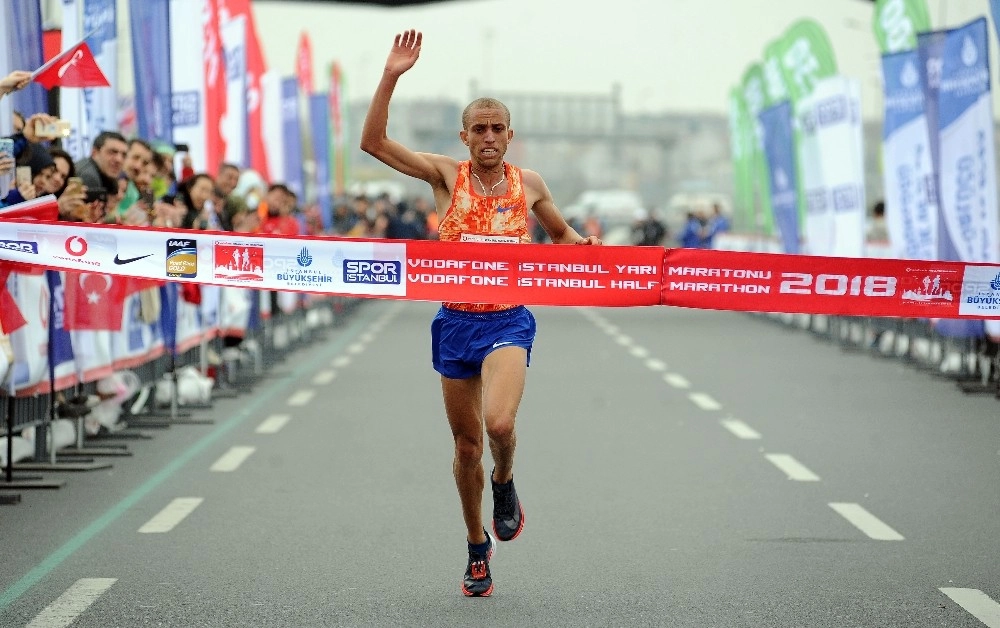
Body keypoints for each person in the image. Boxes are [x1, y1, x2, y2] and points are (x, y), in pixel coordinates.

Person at [360, 29, 602, 598]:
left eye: (498, 128)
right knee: (465, 445)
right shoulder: (446, 175)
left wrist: (592, 255)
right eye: (479, 129)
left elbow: (563, 237)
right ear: (464, 135)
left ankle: (507, 479)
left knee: (499, 426)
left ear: (510, 136)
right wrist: (392, 74)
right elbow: (373, 142)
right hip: (455, 323)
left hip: (508, 319)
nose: (488, 137)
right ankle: (476, 546)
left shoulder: (530, 184)